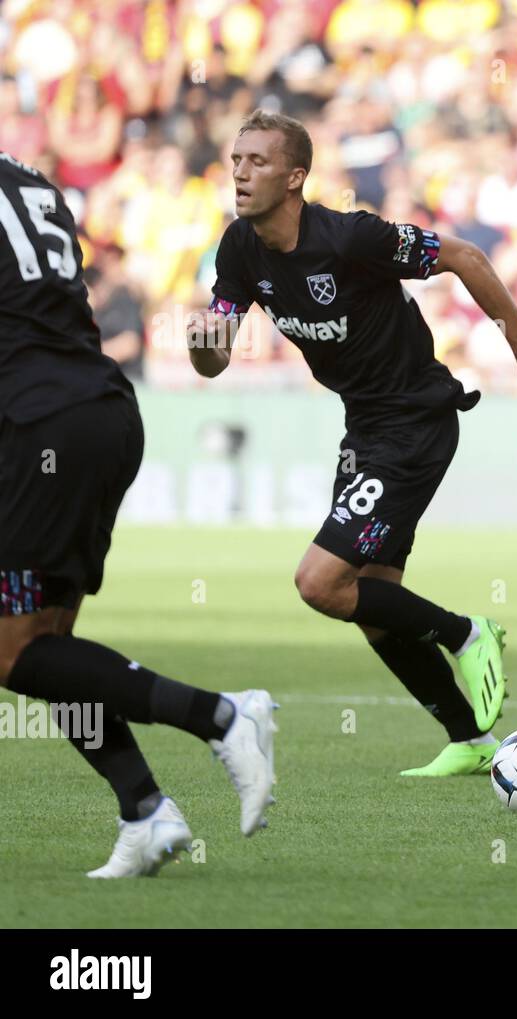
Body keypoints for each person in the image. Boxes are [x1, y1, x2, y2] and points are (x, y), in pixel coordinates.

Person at [188, 110, 517, 777]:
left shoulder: (349, 236)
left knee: (320, 581)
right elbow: (214, 358)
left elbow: (464, 256)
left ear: (295, 177)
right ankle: (470, 736)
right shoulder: (239, 250)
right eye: (236, 160)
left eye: (257, 161)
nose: (241, 173)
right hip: (365, 427)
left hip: (415, 420)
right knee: (371, 602)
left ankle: (467, 632)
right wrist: (203, 344)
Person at [0, 150, 276, 877]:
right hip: (99, 410)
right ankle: (144, 809)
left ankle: (223, 715)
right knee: (52, 643)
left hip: (43, 425)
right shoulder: (27, 177)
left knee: (14, 648)